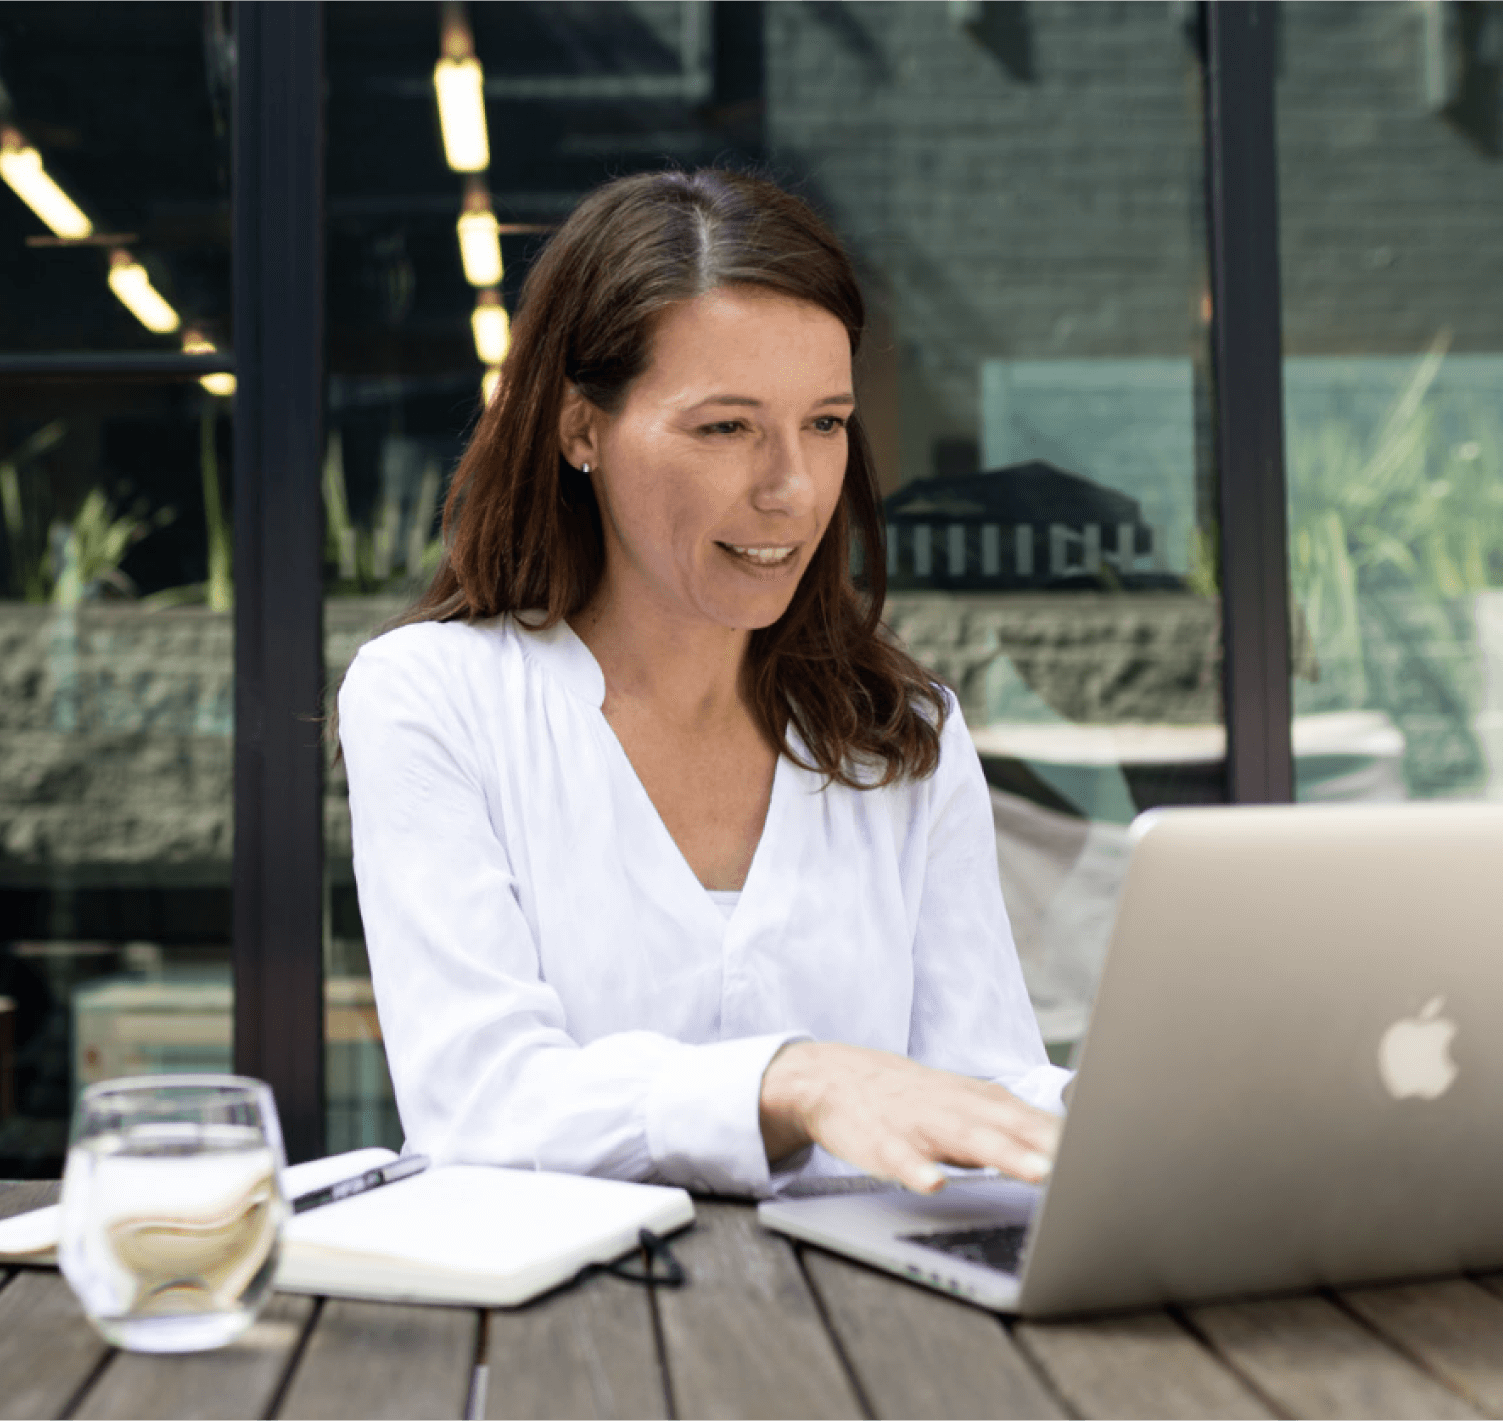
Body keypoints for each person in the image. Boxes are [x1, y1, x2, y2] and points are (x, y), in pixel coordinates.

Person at [334, 166, 1070, 1200]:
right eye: (725, 427)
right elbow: (482, 1104)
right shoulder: (432, 699)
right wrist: (790, 1078)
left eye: (823, 423)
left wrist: (1161, 1113)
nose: (791, 488)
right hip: (569, 1338)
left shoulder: (900, 734)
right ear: (578, 427)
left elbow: (976, 1083)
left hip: (875, 1336)